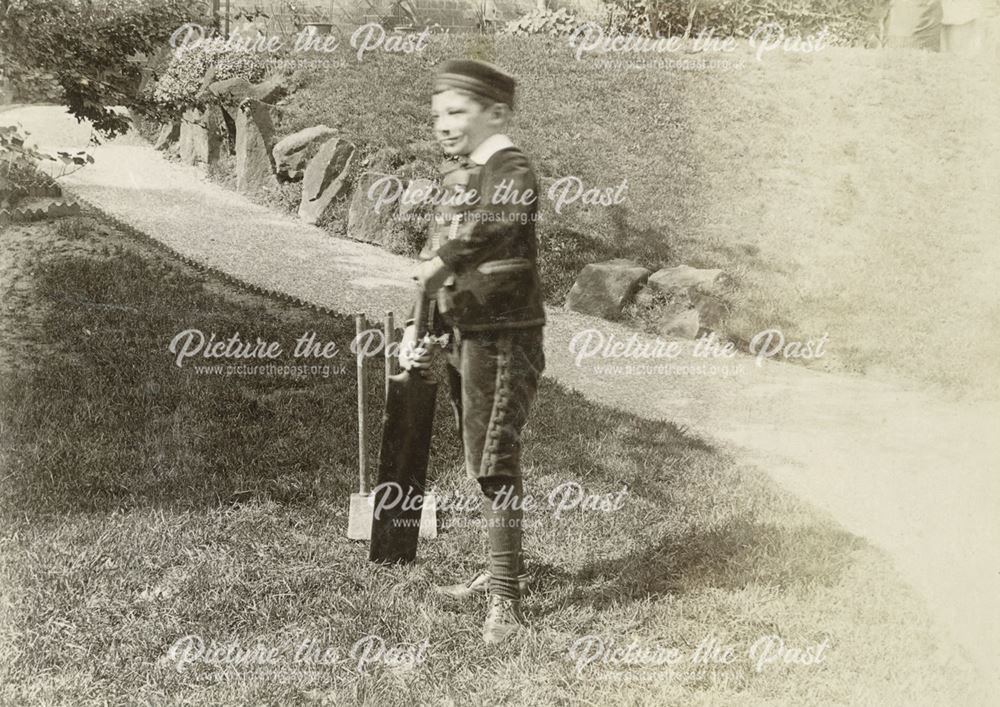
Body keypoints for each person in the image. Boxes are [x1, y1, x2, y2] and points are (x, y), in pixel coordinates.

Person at [399, 58, 546, 644]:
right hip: (468, 334)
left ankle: (506, 600)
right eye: (437, 113)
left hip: (503, 335)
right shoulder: (464, 174)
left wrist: (444, 261)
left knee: (493, 459)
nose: (442, 123)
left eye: (456, 111)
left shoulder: (510, 166)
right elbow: (440, 263)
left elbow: (492, 225)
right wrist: (423, 331)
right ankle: (496, 573)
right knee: (478, 457)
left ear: (497, 113)